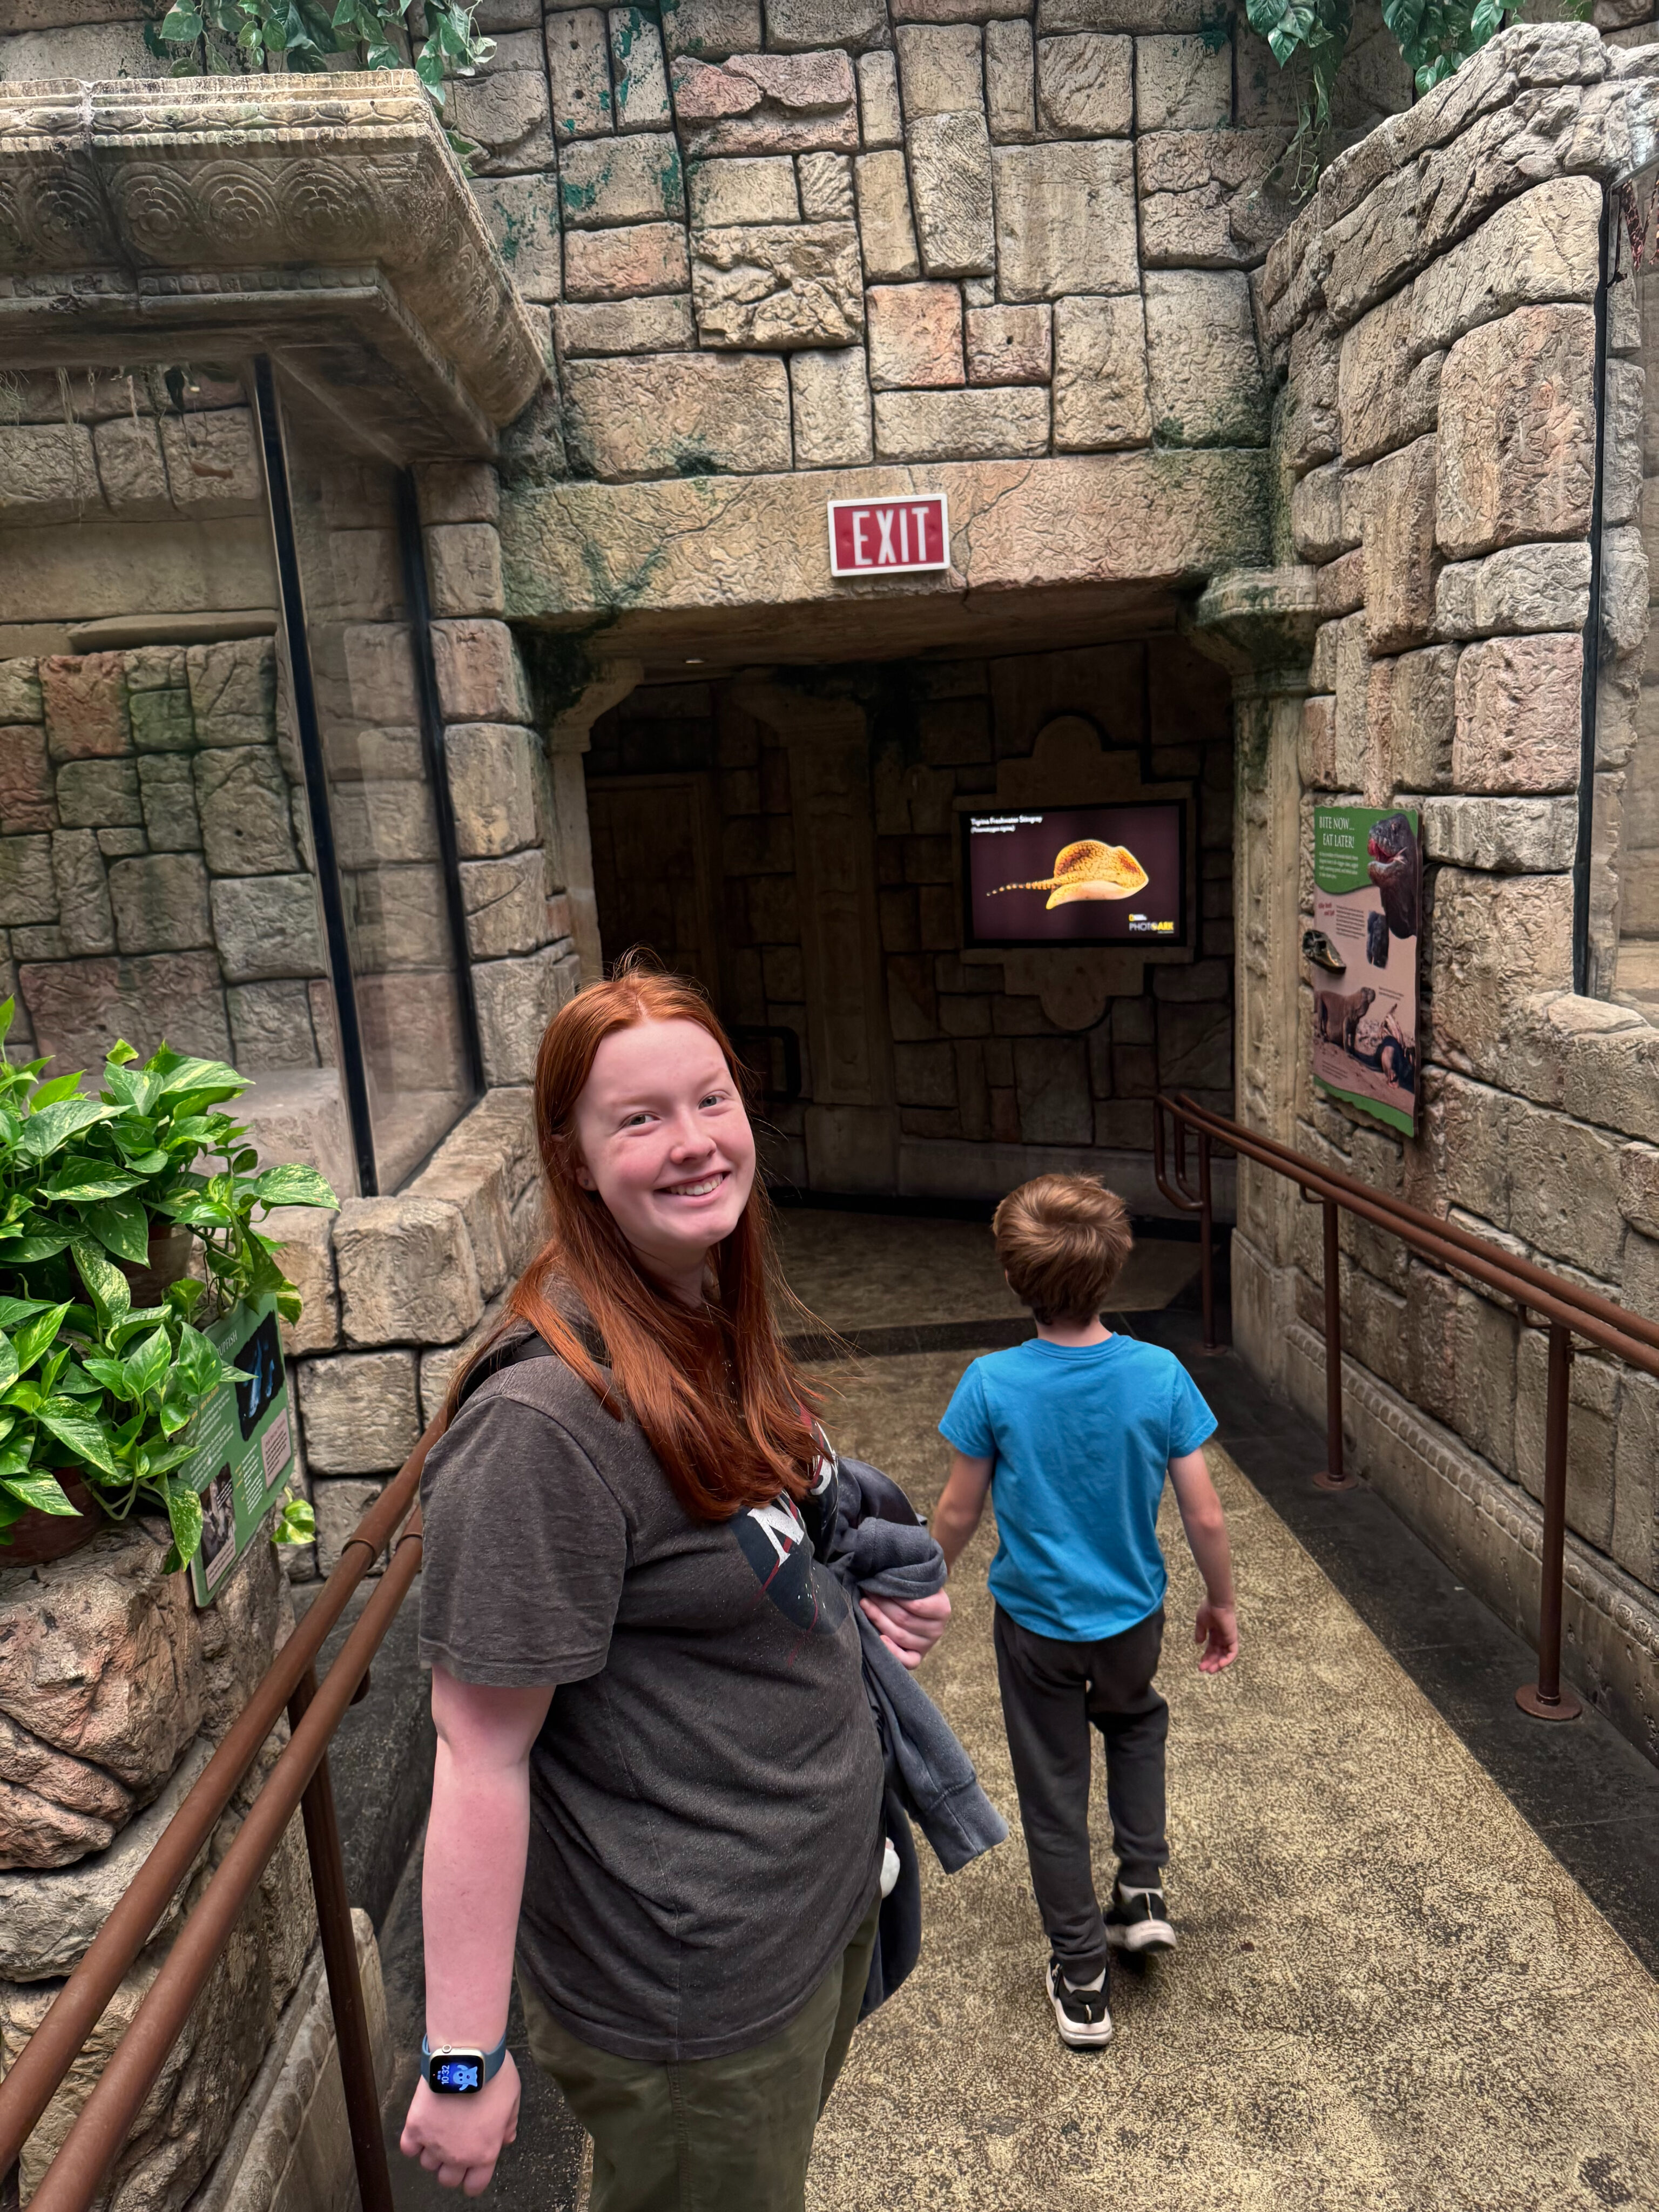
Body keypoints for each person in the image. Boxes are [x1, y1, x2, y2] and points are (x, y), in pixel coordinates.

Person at [399, 957, 950, 2206]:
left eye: (711, 1100)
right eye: (639, 1118)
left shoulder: (696, 1301)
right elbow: (477, 1751)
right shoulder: (542, 1423)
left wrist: (851, 1600)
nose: (694, 1143)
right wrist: (461, 2054)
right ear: (576, 1159)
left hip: (798, 1908)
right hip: (695, 1992)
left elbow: (742, 1531)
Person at [929, 1174, 1239, 2051]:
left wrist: (926, 1582)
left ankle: (1081, 1975)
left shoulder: (991, 1385)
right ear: (1115, 1269)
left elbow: (958, 1511)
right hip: (1132, 1619)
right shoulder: (1159, 1374)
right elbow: (1205, 1513)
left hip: (1036, 1626)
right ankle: (1140, 1886)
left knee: (1053, 1791)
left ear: (1012, 1276)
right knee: (1136, 1723)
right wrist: (1220, 1601)